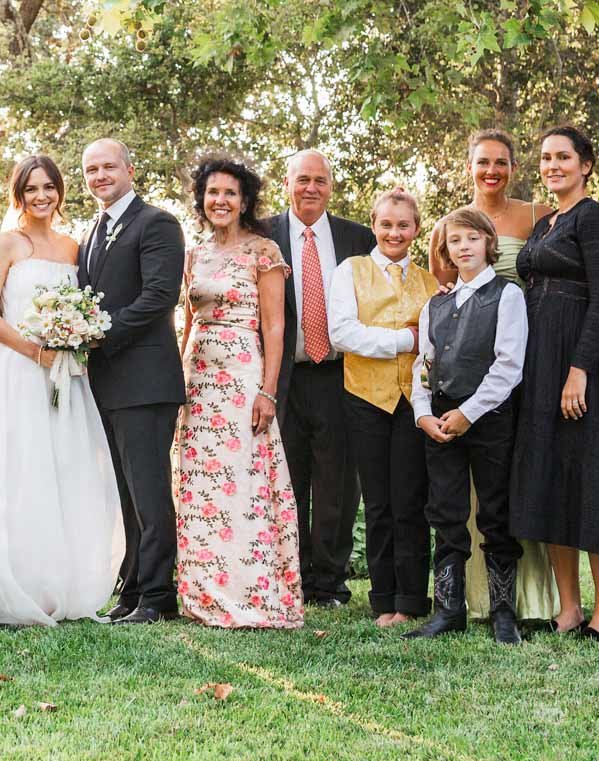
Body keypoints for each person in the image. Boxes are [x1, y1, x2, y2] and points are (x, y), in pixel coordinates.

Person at [0, 155, 122, 625]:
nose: (42, 196)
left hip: (65, 375)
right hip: (17, 372)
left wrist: (75, 337)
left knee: (64, 470)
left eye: (49, 188)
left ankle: (64, 583)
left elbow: (85, 305)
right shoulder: (6, 244)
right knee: (21, 470)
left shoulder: (72, 247)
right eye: (32, 188)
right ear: (18, 194)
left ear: (60, 192)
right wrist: (36, 353)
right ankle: (20, 585)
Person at [431, 129, 557, 627]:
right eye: (482, 162)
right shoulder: (452, 226)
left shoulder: (536, 215)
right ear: (469, 167)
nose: (492, 170)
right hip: (460, 370)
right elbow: (441, 310)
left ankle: (519, 604)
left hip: (520, 355)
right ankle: (458, 604)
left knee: (504, 489)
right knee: (450, 503)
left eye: (501, 162)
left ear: (513, 166)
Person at [509, 126, 599, 642]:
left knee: (590, 484)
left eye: (563, 157)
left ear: (586, 165)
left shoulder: (595, 218)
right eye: (545, 158)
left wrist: (578, 369)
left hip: (581, 366)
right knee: (548, 481)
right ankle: (569, 609)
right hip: (537, 364)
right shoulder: (543, 224)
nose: (552, 165)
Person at [174, 154, 301, 629]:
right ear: (201, 200)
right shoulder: (195, 253)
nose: (220, 200)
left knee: (243, 479)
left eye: (230, 193)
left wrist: (268, 391)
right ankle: (203, 593)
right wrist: (177, 385)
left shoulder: (263, 251)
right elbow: (187, 324)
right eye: (212, 193)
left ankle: (251, 590)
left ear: (244, 200)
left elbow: (275, 325)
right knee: (200, 485)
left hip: (243, 372)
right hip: (198, 378)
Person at [77, 138, 187, 625]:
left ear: (130, 169)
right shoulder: (91, 231)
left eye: (108, 167)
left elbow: (160, 296)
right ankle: (133, 588)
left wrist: (98, 332)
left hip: (145, 380)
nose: (100, 175)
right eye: (91, 169)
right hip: (104, 383)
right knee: (122, 492)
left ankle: (160, 596)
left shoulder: (157, 223)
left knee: (149, 491)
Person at [409, 209, 528, 643]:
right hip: (440, 419)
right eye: (455, 240)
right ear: (446, 249)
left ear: (488, 243)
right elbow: (424, 364)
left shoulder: (507, 296)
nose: (464, 247)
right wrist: (423, 413)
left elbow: (509, 366)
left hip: (489, 419)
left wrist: (469, 413)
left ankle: (502, 613)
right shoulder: (435, 304)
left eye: (472, 238)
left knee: (495, 511)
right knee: (445, 511)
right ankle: (448, 609)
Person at [262, 150, 374, 609]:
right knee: (286, 479)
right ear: (286, 183)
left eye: (320, 181)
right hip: (282, 376)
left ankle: (329, 583)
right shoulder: (262, 235)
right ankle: (291, 576)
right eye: (303, 179)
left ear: (331, 186)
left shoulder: (358, 237)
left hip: (339, 375)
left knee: (338, 483)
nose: (311, 188)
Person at [327, 188, 439, 626]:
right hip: (366, 399)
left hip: (415, 401)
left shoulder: (430, 282)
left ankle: (412, 601)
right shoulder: (350, 271)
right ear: (374, 225)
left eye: (404, 224)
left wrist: (419, 346)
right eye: (387, 224)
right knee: (378, 502)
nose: (395, 232)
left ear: (415, 228)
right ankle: (384, 599)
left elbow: (434, 344)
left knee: (411, 501)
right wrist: (403, 340)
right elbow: (343, 333)